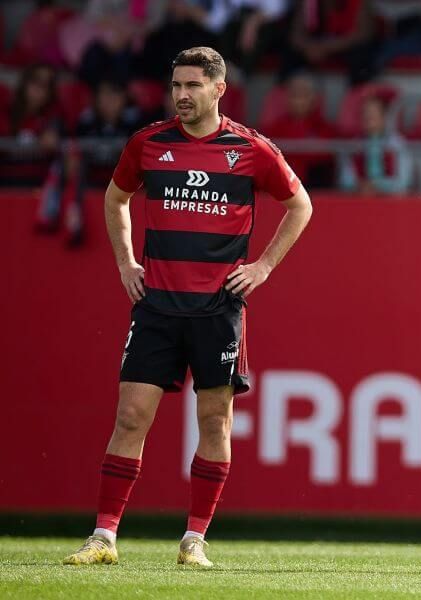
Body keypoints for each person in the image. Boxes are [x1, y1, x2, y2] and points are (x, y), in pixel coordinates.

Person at [62, 47, 313, 568]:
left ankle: (194, 538)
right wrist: (127, 262)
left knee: (215, 421)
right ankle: (103, 536)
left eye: (193, 85)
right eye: (176, 85)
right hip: (156, 304)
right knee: (130, 417)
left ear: (219, 89)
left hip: (218, 308)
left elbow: (299, 205)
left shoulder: (249, 149)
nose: (181, 95)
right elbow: (115, 199)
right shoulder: (149, 144)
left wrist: (263, 267)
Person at [37, 79, 143, 246]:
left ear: (124, 98)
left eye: (114, 96)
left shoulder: (136, 122)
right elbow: (71, 146)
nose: (109, 102)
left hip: (126, 183)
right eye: (104, 96)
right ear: (97, 99)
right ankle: (67, 214)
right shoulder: (87, 122)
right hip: (89, 179)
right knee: (68, 162)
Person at [338, 95, 412, 195]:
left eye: (373, 113)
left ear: (384, 116)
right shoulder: (354, 145)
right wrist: (360, 185)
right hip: (361, 199)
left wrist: (377, 185)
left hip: (391, 200)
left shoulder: (397, 144)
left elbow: (403, 181)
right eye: (365, 113)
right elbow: (345, 180)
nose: (368, 117)